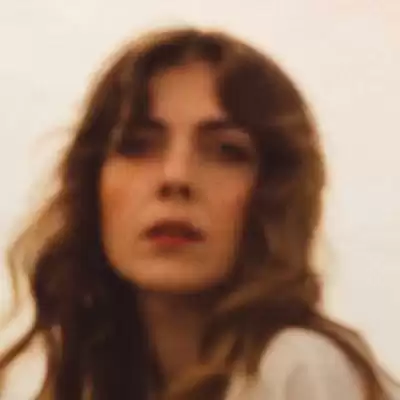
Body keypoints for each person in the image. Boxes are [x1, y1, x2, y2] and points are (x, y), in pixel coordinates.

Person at [0, 27, 398, 400]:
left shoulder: (296, 368)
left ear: (272, 192)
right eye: (137, 145)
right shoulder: (96, 378)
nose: (176, 177)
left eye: (227, 151)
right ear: (93, 185)